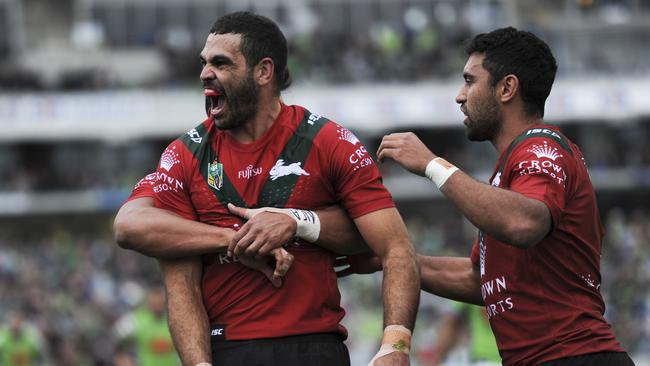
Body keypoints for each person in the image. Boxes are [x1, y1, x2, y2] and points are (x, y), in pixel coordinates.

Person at [114, 11, 420, 366]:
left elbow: (396, 248)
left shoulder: (328, 141)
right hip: (228, 349)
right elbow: (178, 281)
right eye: (204, 63)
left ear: (263, 71)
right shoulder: (185, 154)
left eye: (221, 63)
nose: (204, 74)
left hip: (315, 347)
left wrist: (394, 348)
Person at [373, 27, 634, 365]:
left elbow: (524, 222)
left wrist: (432, 165)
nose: (459, 96)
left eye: (470, 81)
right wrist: (392, 261)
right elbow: (481, 280)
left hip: (575, 356)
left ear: (507, 88)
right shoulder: (509, 169)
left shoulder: (541, 147)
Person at [113, 287, 180, 366]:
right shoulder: (136, 319)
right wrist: (123, 360)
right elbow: (116, 336)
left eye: (159, 303)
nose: (157, 305)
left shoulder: (174, 319)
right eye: (154, 302)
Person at [426, 302, 500, 366]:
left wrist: (438, 354)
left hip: (484, 359)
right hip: (508, 358)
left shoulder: (472, 286)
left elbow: (450, 323)